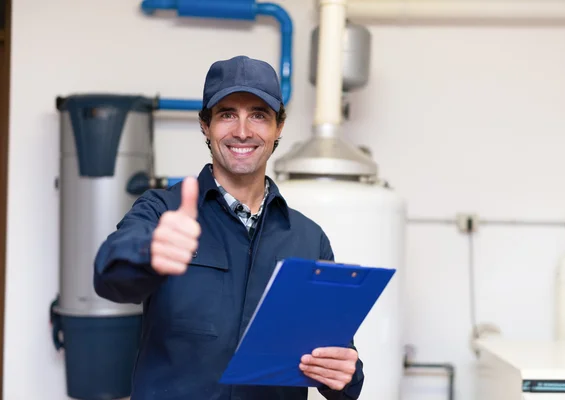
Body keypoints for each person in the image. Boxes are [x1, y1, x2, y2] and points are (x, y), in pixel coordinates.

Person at [93, 55, 364, 400]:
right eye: (226, 114)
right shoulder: (163, 212)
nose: (242, 131)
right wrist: (149, 251)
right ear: (205, 125)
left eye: (258, 115)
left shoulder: (309, 239)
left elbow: (340, 367)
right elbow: (109, 277)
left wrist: (344, 375)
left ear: (278, 126)